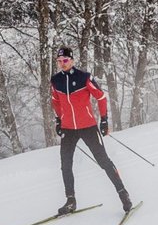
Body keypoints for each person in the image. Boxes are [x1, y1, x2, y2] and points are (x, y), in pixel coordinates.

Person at [48, 47, 134, 215]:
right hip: (68, 128)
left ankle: (123, 193)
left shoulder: (84, 77)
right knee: (65, 164)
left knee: (104, 161)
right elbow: (55, 102)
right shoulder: (55, 80)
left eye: (65, 60)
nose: (62, 64)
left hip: (88, 126)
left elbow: (100, 96)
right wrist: (59, 120)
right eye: (59, 61)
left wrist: (104, 120)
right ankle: (70, 201)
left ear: (72, 60)